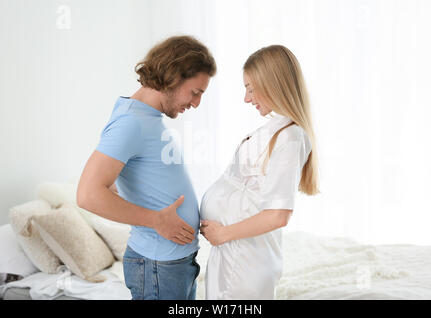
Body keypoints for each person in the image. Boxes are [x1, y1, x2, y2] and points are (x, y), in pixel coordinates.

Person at [76, 35, 216, 300]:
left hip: (171, 263)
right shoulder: (131, 122)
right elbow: (87, 195)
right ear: (174, 77)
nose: (197, 103)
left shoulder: (146, 119)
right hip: (157, 267)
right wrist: (155, 220)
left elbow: (120, 182)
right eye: (195, 92)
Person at [199, 45, 319, 300]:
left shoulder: (290, 137)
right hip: (234, 253)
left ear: (273, 83)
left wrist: (222, 234)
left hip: (244, 261)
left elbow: (278, 215)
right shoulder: (277, 130)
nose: (247, 98)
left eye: (251, 88)